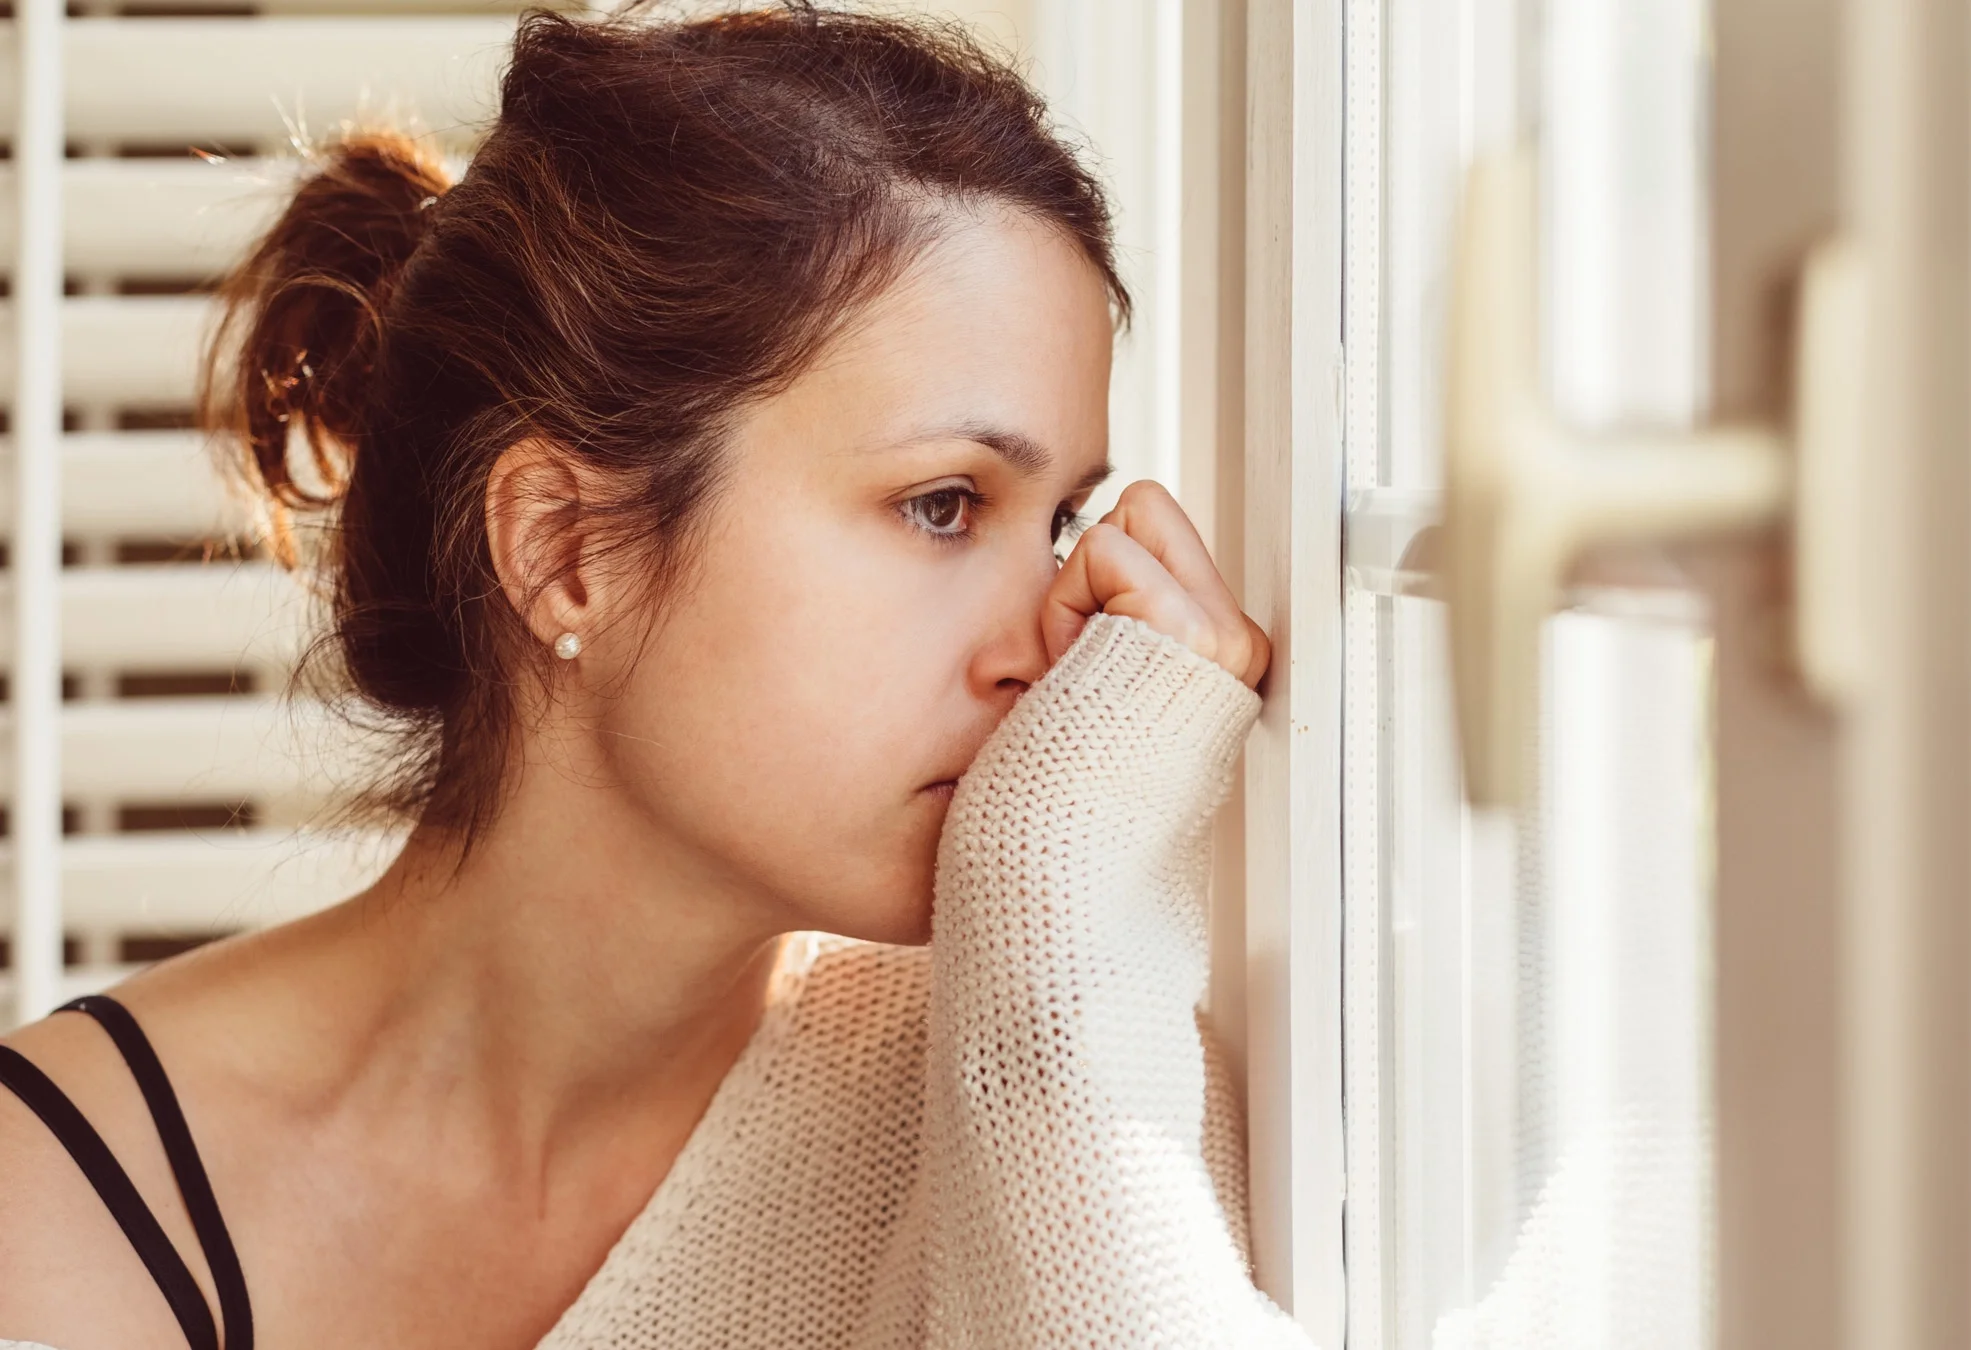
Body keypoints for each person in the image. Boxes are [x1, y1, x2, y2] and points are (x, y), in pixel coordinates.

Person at [0, 6, 1310, 1346]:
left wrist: (1055, 893)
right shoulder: (56, 1209)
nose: (1050, 643)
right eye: (941, 505)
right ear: (566, 549)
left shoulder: (1063, 1067)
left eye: (1062, 524)